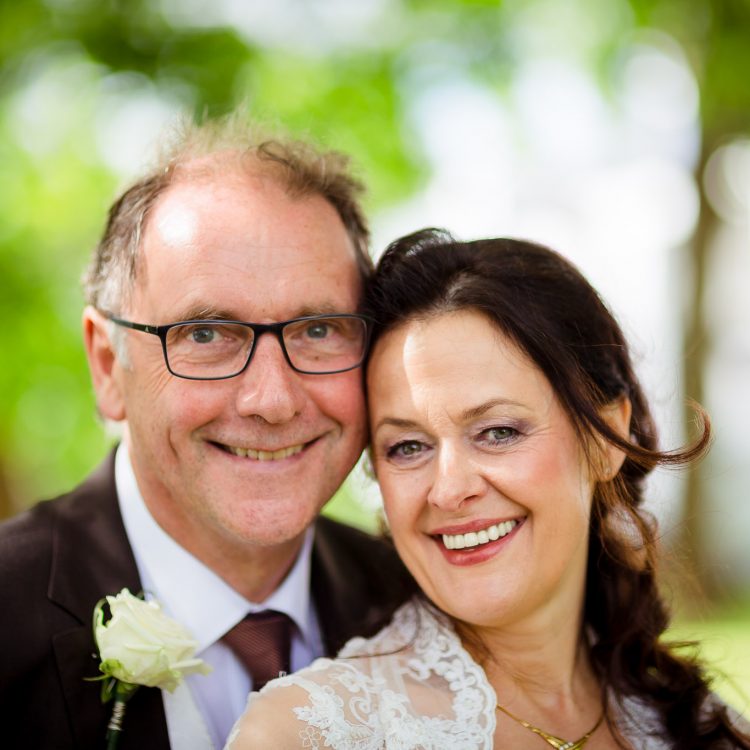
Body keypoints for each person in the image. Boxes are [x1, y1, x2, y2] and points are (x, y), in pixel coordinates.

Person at [228, 228, 750, 749]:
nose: (449, 489)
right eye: (408, 446)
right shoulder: (307, 732)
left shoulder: (706, 728)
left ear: (604, 437)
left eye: (498, 432)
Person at [0, 119, 414, 750]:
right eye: (205, 335)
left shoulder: (421, 604)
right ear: (109, 367)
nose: (273, 401)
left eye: (319, 329)